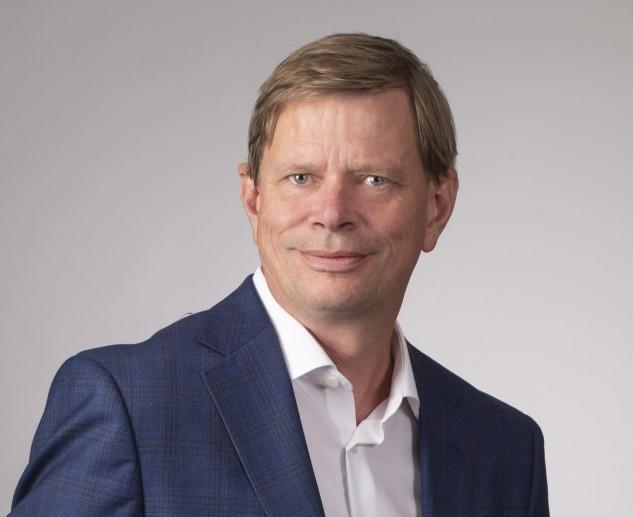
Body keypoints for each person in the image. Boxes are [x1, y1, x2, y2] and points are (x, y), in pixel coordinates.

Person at [10, 33, 549, 517]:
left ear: (437, 205)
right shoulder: (128, 405)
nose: (332, 211)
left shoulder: (504, 449)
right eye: (300, 177)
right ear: (253, 199)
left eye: (374, 179)